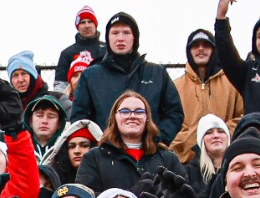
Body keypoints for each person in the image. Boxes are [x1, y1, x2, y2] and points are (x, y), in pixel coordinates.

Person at [70, 13, 185, 145]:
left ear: (134, 37)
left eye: (126, 32)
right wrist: (99, 147)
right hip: (106, 156)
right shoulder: (91, 76)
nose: (120, 38)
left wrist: (158, 140)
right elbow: (80, 119)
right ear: (107, 37)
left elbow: (174, 113)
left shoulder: (157, 73)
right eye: (115, 33)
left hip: (149, 155)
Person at [75, 92, 188, 194]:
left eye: (139, 112)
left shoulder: (168, 159)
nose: (132, 116)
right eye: (125, 111)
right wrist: (131, 197)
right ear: (115, 118)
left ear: (147, 118)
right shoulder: (94, 158)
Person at [169, 29, 241, 164]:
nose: (200, 49)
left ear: (214, 49)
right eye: (196, 46)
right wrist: (192, 139)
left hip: (225, 159)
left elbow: (243, 116)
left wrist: (219, 132)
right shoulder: (175, 86)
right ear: (189, 51)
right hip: (187, 160)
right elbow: (170, 122)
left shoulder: (231, 82)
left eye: (206, 45)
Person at [55, 7, 105, 95]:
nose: (87, 25)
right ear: (77, 26)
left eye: (90, 21)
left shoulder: (107, 50)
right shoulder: (67, 53)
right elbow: (60, 85)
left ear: (95, 25)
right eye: (83, 22)